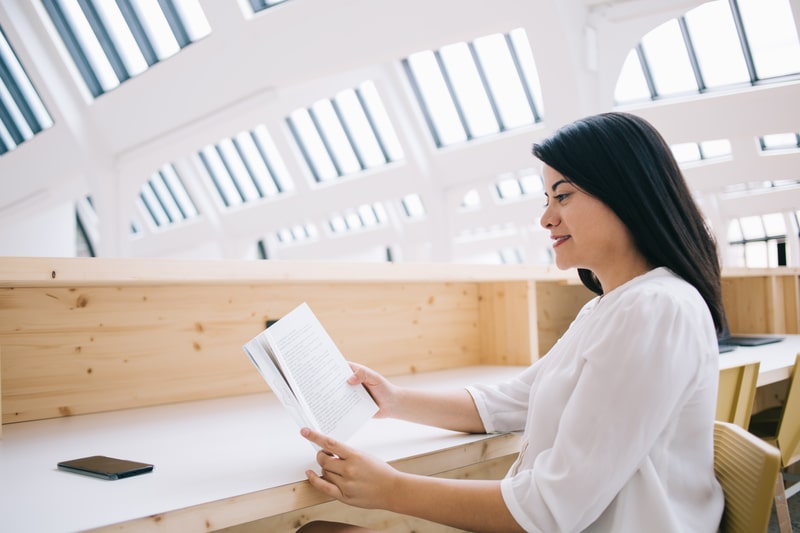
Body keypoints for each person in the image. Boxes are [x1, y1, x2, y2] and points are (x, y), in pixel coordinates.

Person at [297, 112, 725, 532]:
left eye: (563, 196)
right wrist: (392, 400)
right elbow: (511, 402)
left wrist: (390, 489)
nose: (546, 218)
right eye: (546, 200)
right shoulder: (610, 308)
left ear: (624, 193)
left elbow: (549, 511)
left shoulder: (653, 310)